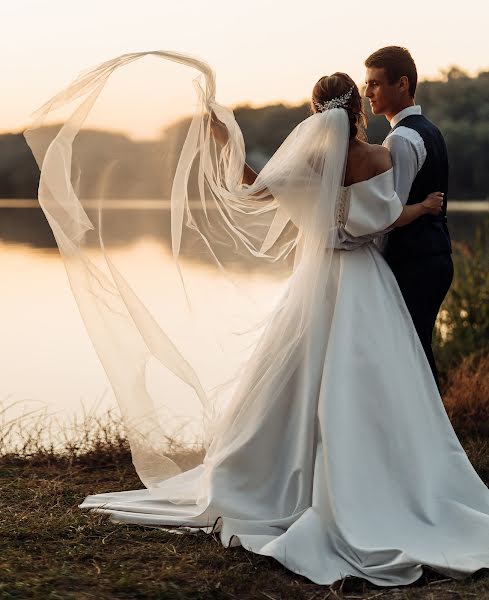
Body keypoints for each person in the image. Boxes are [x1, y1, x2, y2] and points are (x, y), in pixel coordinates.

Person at [25, 52, 489, 588]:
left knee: (297, 374)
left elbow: (255, 189)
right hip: (368, 282)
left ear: (317, 113)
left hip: (320, 281)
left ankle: (274, 479)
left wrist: (228, 140)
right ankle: (390, 481)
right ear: (358, 110)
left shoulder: (309, 165)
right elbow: (380, 221)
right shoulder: (381, 159)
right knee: (377, 382)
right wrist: (422, 209)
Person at [365, 46, 454, 388]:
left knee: (410, 353)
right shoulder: (430, 129)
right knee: (415, 350)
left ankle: (432, 435)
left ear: (401, 84)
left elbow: (390, 215)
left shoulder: (400, 140)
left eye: (374, 84)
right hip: (434, 256)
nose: (367, 92)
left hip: (414, 262)